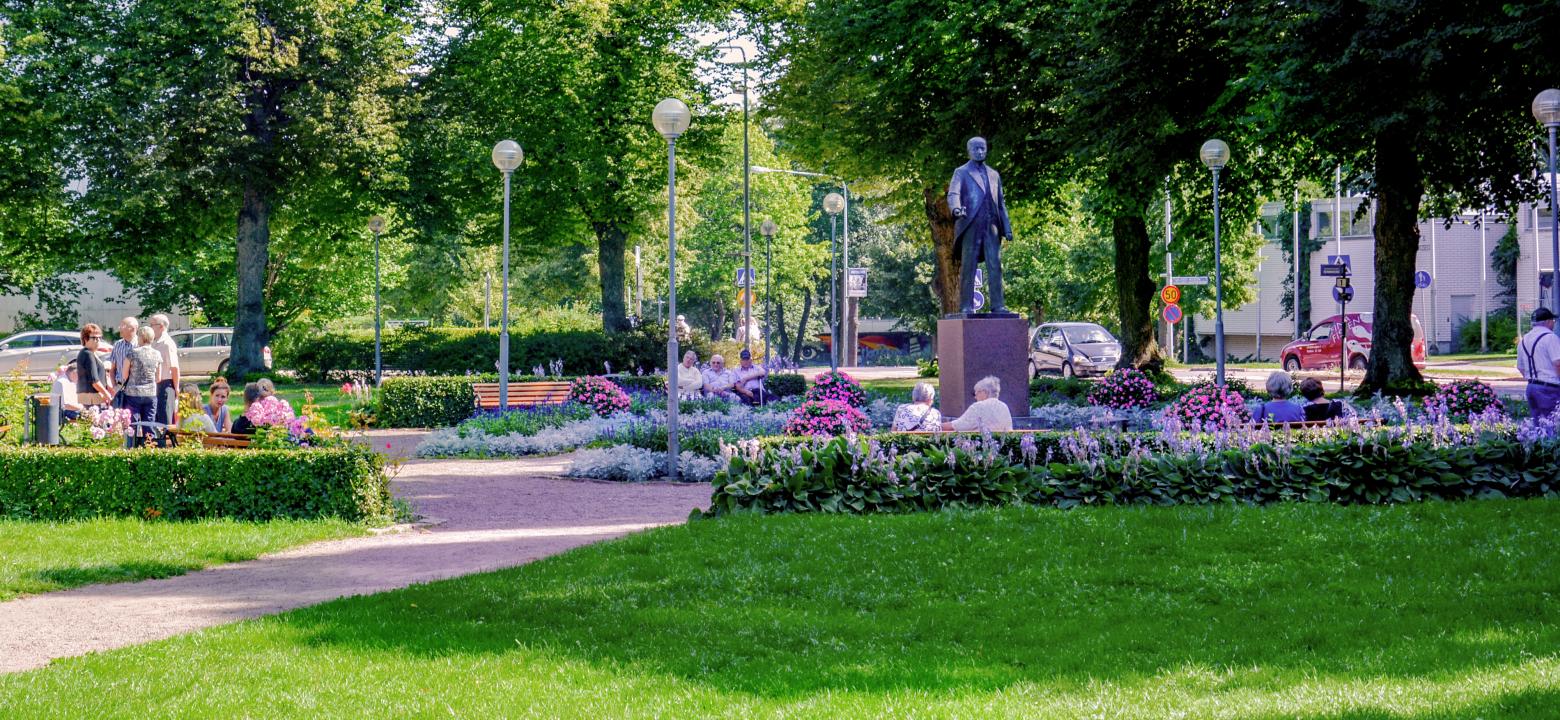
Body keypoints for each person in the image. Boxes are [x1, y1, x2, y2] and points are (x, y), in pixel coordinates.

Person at [946, 136, 1012, 314]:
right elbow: (953, 193)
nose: (980, 151)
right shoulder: (961, 172)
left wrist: (1007, 227)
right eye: (976, 149)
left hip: (992, 226)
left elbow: (1001, 203)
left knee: (995, 265)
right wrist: (957, 209)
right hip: (971, 225)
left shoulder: (994, 174)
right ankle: (966, 305)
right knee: (969, 265)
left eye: (983, 148)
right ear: (969, 151)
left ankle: (998, 305)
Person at [122, 325, 163, 445]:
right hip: (150, 393)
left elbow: (124, 375)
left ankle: (130, 447)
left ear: (140, 338)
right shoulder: (157, 354)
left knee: (132, 423)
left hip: (133, 393)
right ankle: (149, 448)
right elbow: (159, 378)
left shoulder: (132, 353)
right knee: (149, 423)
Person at [1518, 307, 1560, 419]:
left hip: (1531, 387)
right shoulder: (1550, 338)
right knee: (1552, 425)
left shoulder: (1524, 340)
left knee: (1538, 426)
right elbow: (1558, 363)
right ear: (1548, 322)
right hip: (1550, 388)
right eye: (1553, 321)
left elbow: (1520, 367)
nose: (1553, 324)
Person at [942, 375, 1013, 432]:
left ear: (984, 392)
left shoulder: (979, 406)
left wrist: (936, 427)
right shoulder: (1004, 406)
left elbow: (958, 426)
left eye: (976, 393)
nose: (975, 397)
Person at [147, 314, 181, 425]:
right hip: (155, 384)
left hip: (166, 385)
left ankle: (165, 442)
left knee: (165, 418)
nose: (150, 327)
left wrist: (176, 388)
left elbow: (174, 368)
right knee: (156, 417)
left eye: (152, 325)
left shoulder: (167, 343)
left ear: (161, 326)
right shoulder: (154, 342)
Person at [74, 323, 112, 408]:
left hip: (92, 397)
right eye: (94, 338)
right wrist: (107, 394)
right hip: (90, 397)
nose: (98, 340)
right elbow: (94, 381)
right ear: (85, 339)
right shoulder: (88, 354)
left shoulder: (91, 353)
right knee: (93, 420)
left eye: (99, 338)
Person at [106, 316, 139, 403]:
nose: (119, 328)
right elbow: (112, 369)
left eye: (123, 326)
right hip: (119, 388)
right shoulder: (117, 345)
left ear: (133, 328)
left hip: (137, 389)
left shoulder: (140, 344)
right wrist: (114, 386)